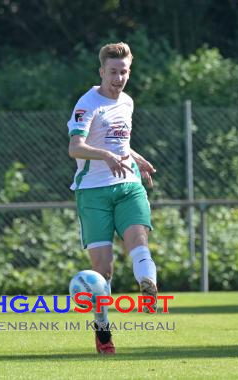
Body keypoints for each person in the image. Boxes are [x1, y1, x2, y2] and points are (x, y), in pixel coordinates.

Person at [67, 42, 158, 355]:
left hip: (128, 184)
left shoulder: (128, 103)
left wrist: (139, 159)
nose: (119, 78)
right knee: (102, 272)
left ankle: (148, 288)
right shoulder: (87, 104)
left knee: (138, 243)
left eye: (124, 72)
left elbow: (121, 145)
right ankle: (103, 331)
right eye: (113, 72)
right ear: (101, 72)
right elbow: (75, 147)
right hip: (93, 192)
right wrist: (106, 155)